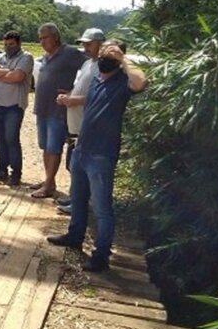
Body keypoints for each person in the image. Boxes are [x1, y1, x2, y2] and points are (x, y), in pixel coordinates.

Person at [47, 44, 149, 272]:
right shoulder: (97, 79)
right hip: (82, 148)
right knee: (78, 199)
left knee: (102, 209)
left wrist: (122, 58)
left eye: (109, 55)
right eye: (103, 53)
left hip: (102, 154)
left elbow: (141, 82)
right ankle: (75, 236)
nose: (103, 58)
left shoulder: (122, 83)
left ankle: (101, 256)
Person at [31, 22, 87, 199]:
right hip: (42, 108)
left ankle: (48, 186)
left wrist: (74, 91)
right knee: (45, 147)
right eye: (40, 39)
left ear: (55, 37)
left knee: (54, 148)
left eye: (45, 38)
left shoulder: (70, 53)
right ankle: (49, 180)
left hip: (58, 110)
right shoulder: (46, 57)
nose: (42, 42)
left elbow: (90, 70)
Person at [55, 28, 104, 215]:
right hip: (75, 123)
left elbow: (97, 96)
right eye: (83, 44)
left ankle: (82, 203)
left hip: (87, 124)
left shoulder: (103, 67)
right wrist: (69, 96)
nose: (85, 48)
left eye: (89, 44)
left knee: (80, 166)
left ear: (101, 44)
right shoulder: (87, 64)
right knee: (73, 165)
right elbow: (81, 88)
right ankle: (76, 198)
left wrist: (72, 100)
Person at [0, 31, 34, 186]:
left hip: (14, 106)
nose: (8, 47)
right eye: (5, 44)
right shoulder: (1, 57)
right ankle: (1, 171)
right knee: (0, 139)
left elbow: (18, 77)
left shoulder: (26, 57)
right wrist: (8, 73)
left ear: (18, 43)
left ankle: (15, 174)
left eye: (11, 44)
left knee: (11, 139)